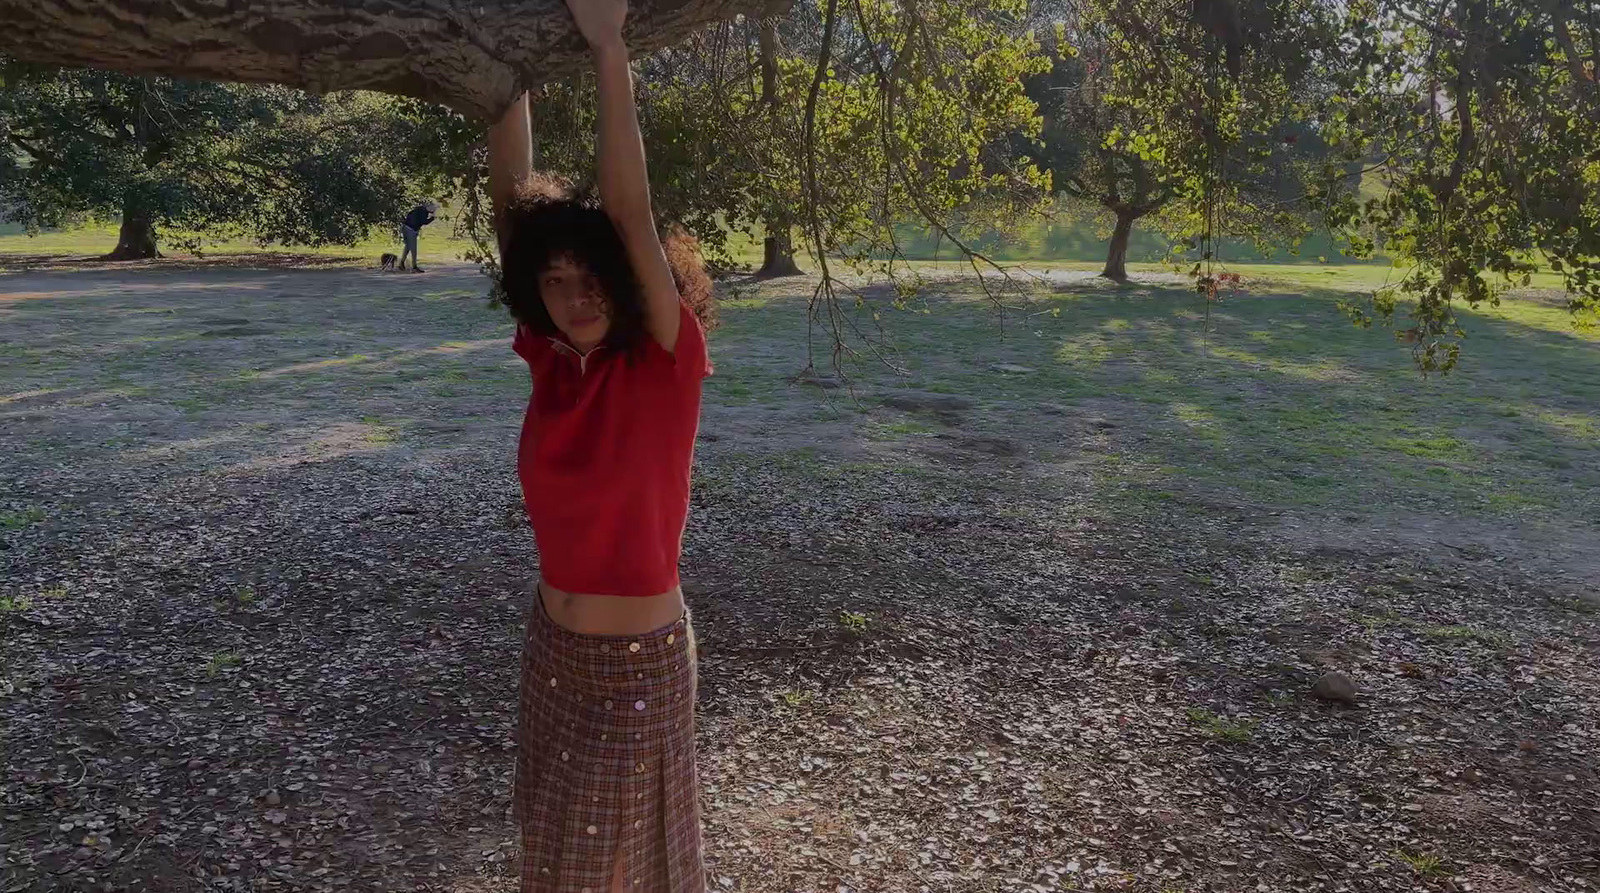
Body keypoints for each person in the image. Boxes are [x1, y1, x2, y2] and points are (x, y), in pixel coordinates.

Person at [486, 0, 717, 891]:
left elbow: (628, 207)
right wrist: (501, 61)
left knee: (621, 868)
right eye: (554, 281)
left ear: (625, 282)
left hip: (637, 663)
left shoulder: (661, 360)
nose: (574, 297)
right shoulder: (551, 361)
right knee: (553, 858)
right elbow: (513, 202)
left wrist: (608, 44)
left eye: (591, 281)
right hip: (551, 650)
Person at [399, 201, 436, 271]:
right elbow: (424, 222)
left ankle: (401, 263)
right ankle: (414, 267)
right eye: (433, 209)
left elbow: (411, 215)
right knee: (413, 249)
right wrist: (432, 218)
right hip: (411, 230)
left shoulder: (419, 209)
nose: (434, 210)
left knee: (408, 247)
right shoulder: (423, 212)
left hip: (406, 227)